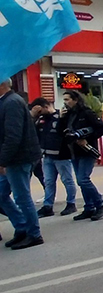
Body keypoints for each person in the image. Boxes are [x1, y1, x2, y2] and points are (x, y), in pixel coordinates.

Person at [0, 79, 44, 249]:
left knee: (21, 197)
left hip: (19, 158)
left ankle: (34, 233)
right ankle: (22, 226)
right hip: (13, 158)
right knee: (1, 194)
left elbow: (13, 136)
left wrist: (2, 161)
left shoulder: (12, 103)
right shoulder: (6, 101)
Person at [59, 90, 103, 221]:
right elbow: (61, 131)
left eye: (67, 99)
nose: (65, 102)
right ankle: (89, 207)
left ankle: (100, 204)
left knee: (83, 179)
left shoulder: (86, 113)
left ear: (75, 100)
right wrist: (61, 118)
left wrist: (88, 138)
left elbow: (102, 127)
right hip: (74, 151)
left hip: (87, 150)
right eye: (64, 100)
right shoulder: (68, 115)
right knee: (80, 181)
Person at [30, 98, 77, 217]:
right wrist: (33, 117)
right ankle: (48, 206)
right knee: (49, 181)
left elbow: (65, 133)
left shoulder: (60, 117)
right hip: (47, 156)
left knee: (67, 180)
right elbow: (31, 132)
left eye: (39, 110)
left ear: (45, 107)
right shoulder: (40, 119)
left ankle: (71, 203)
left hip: (61, 155)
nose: (39, 114)